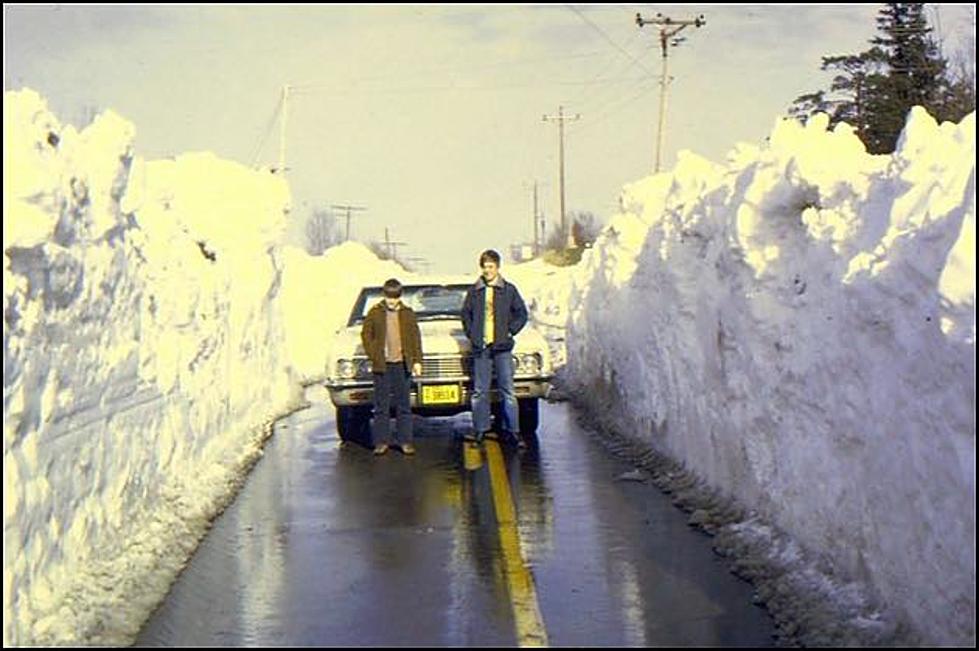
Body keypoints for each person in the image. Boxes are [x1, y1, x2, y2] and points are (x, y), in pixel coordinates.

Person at [461, 249, 529, 447]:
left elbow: (521, 314)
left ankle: (513, 431)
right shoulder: (475, 291)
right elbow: (465, 315)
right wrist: (472, 334)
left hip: (502, 347)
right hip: (481, 348)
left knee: (507, 390)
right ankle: (481, 430)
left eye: (491, 266)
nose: (487, 270)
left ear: (497, 267)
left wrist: (510, 331)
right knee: (480, 391)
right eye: (484, 267)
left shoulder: (508, 290)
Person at [361, 278, 423, 456]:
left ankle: (405, 441)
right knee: (381, 406)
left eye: (395, 297)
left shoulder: (407, 314)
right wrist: (374, 354)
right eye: (389, 297)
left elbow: (415, 338)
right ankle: (381, 441)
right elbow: (366, 335)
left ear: (400, 297)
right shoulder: (375, 313)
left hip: (402, 364)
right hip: (382, 365)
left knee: (403, 405)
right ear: (384, 295)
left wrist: (417, 360)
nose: (391, 301)